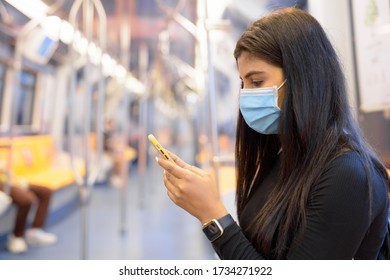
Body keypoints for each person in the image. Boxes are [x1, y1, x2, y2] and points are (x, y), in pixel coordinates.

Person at [155, 7, 390, 259]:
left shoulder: (348, 175)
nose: (246, 94)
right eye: (243, 83)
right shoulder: (287, 158)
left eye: (257, 82)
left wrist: (213, 216)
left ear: (303, 78)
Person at [0, 180, 57, 254]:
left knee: (46, 192)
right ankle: (17, 236)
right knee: (27, 200)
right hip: (4, 184)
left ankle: (34, 232)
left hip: (11, 180)